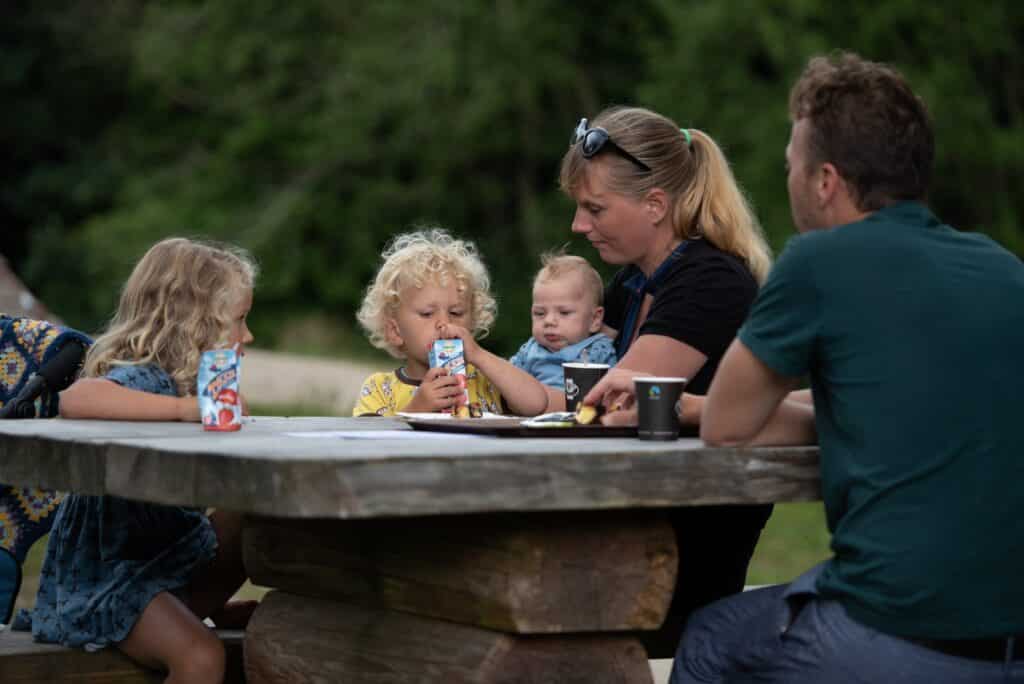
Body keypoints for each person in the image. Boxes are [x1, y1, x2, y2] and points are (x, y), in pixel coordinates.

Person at [666, 52, 1024, 682]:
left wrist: (796, 406)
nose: (789, 181)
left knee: (709, 636)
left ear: (825, 180)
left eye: (790, 168)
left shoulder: (818, 262)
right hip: (1009, 643)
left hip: (893, 635)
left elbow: (725, 424)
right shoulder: (1004, 269)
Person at [559, 105, 774, 656]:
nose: (579, 226)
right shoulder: (634, 282)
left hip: (678, 554)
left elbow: (608, 405)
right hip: (637, 530)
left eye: (594, 208)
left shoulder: (709, 280)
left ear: (655, 205)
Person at [20, 238, 258, 684]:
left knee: (251, 516)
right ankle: (180, 625)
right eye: (239, 321)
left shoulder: (190, 384)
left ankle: (184, 610)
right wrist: (184, 411)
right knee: (203, 659)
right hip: (112, 574)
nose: (247, 336)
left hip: (166, 554)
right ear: (194, 323)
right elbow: (77, 399)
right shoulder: (144, 376)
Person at [353, 228, 548, 417]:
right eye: (427, 313)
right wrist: (416, 409)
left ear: (472, 321)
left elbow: (537, 405)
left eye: (456, 312)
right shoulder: (379, 389)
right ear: (395, 331)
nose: (444, 323)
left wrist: (479, 355)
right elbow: (371, 443)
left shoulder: (487, 378)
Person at [509, 252, 616, 396]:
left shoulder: (598, 350)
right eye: (540, 313)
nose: (549, 321)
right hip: (530, 414)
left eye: (564, 313)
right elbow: (509, 378)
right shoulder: (530, 350)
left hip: (578, 412)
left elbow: (612, 389)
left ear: (594, 320)